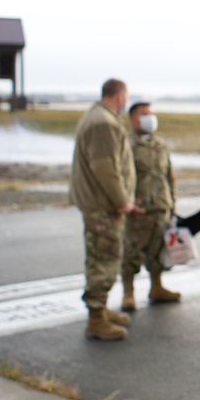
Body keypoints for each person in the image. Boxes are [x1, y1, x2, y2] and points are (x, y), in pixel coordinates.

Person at [69, 78, 139, 341]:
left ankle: (102, 309)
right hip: (103, 205)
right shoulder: (103, 123)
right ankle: (96, 319)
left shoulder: (98, 117)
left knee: (101, 255)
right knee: (105, 258)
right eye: (126, 97)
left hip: (98, 203)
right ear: (120, 95)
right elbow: (105, 167)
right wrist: (122, 200)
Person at [120, 101, 182, 312]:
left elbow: (169, 175)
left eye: (151, 113)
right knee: (132, 252)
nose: (150, 118)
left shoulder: (160, 143)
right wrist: (127, 199)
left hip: (161, 206)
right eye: (144, 114)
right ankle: (128, 293)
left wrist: (172, 200)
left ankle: (157, 287)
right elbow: (121, 176)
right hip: (139, 209)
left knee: (158, 251)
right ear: (133, 119)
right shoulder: (127, 145)